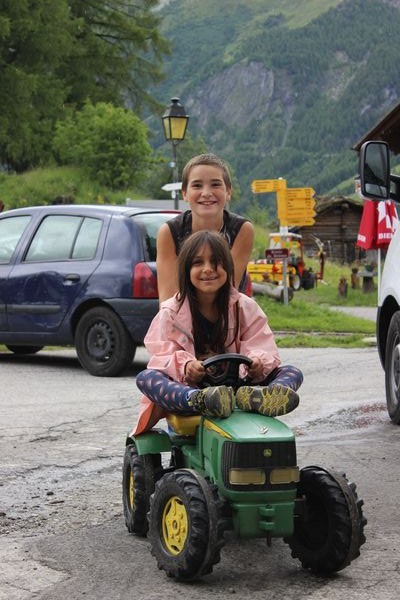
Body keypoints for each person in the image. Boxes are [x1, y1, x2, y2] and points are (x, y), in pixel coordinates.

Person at [133, 231, 303, 435]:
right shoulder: (171, 312)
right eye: (198, 262)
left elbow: (261, 342)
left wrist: (258, 362)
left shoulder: (245, 307)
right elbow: (161, 355)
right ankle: (201, 401)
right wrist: (185, 366)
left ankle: (257, 400)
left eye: (216, 262)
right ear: (186, 270)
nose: (208, 269)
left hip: (240, 388)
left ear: (228, 267)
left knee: (292, 372)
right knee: (146, 377)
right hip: (191, 391)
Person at [156, 153, 254, 302]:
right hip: (179, 313)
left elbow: (227, 291)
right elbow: (168, 299)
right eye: (197, 185)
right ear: (185, 194)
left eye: (215, 184)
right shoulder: (169, 232)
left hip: (227, 312)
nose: (206, 193)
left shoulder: (242, 230)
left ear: (228, 192)